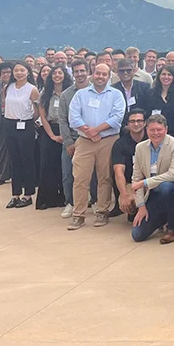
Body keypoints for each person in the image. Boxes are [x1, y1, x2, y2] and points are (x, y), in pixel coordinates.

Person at [67, 62, 127, 230]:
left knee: (105, 177)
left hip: (108, 140)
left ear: (109, 76)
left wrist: (96, 130)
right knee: (80, 178)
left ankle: (102, 212)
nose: (100, 77)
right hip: (85, 142)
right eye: (97, 73)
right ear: (92, 74)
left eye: (104, 74)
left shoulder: (116, 94)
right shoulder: (81, 94)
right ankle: (78, 214)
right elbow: (73, 117)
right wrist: (89, 132)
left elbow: (117, 117)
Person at [130, 114, 174, 244]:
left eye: (159, 129)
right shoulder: (140, 148)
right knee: (137, 235)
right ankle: (163, 216)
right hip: (153, 193)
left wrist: (145, 182)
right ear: (146, 130)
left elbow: (173, 175)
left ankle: (172, 228)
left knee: (165, 187)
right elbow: (136, 178)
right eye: (152, 130)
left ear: (166, 129)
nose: (156, 133)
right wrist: (141, 206)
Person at [57, 60, 97, 219]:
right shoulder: (66, 94)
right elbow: (62, 119)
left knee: (93, 173)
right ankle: (71, 203)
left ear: (88, 71)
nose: (80, 74)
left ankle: (94, 200)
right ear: (72, 73)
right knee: (68, 173)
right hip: (72, 139)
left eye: (82, 71)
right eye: (76, 71)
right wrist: (68, 142)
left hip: (91, 139)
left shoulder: (96, 91)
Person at [2, 61, 41, 209]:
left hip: (25, 125)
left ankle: (28, 194)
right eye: (16, 70)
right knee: (14, 160)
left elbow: (37, 108)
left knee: (27, 160)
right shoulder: (8, 88)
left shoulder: (32, 89)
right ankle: (15, 194)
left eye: (22, 70)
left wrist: (31, 119)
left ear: (28, 72)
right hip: (9, 124)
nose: (19, 73)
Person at [36, 65, 70, 210]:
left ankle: (64, 197)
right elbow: (42, 116)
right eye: (54, 73)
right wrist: (52, 135)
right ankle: (47, 199)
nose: (57, 75)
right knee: (47, 165)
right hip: (49, 130)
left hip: (67, 130)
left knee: (64, 166)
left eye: (60, 73)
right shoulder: (45, 93)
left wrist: (65, 134)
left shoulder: (70, 92)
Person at [113, 109, 148, 224]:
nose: (136, 124)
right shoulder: (120, 144)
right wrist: (124, 195)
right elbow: (118, 171)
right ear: (127, 124)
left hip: (151, 181)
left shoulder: (152, 139)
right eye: (132, 121)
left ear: (145, 123)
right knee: (130, 201)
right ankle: (133, 211)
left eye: (139, 121)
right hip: (132, 183)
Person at [147, 65, 174, 142]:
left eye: (169, 75)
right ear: (159, 76)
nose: (166, 77)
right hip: (156, 134)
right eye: (163, 74)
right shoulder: (150, 93)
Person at [114, 59, 150, 126]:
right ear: (117, 72)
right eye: (122, 71)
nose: (125, 73)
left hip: (140, 126)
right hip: (120, 128)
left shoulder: (144, 87)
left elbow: (147, 109)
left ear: (134, 71)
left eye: (128, 70)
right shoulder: (113, 90)